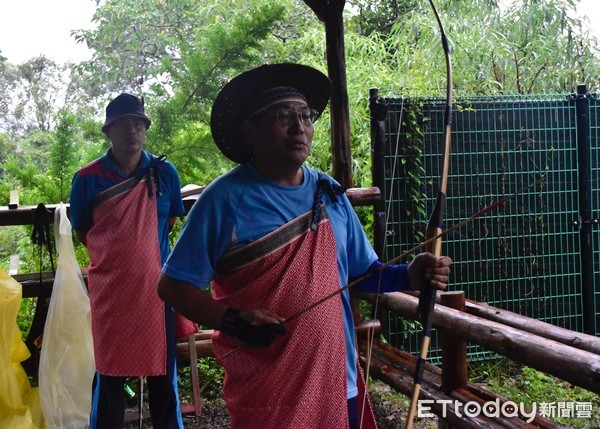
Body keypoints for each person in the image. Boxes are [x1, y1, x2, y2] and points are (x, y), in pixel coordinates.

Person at [157, 64, 452, 429]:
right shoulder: (223, 200)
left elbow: (360, 276)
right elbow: (172, 286)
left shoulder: (328, 193)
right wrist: (233, 320)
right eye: (283, 116)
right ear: (251, 129)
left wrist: (409, 274)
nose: (299, 127)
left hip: (337, 377)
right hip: (268, 390)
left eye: (305, 116)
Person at [69, 93, 195, 429]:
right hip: (110, 292)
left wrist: (142, 255)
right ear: (108, 131)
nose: (132, 130)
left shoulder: (164, 172)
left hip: (157, 291)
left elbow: (167, 224)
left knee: (162, 375)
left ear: (145, 129)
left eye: (139, 124)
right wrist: (120, 257)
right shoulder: (87, 178)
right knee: (109, 374)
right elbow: (84, 230)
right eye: (124, 124)